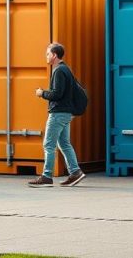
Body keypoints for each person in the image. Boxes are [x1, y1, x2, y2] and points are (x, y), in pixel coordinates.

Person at [28, 42, 85, 187]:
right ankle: (75, 172)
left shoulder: (59, 71)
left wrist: (42, 93)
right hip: (66, 113)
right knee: (64, 144)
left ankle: (46, 176)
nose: (46, 56)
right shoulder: (66, 69)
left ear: (54, 55)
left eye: (48, 54)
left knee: (48, 145)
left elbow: (57, 94)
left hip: (58, 113)